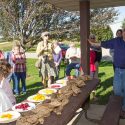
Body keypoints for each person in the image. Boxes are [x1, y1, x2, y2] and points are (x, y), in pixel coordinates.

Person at [88, 28, 125, 118]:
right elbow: (104, 43)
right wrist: (92, 43)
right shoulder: (117, 41)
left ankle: (123, 109)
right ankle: (120, 108)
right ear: (123, 32)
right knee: (117, 90)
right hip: (118, 70)